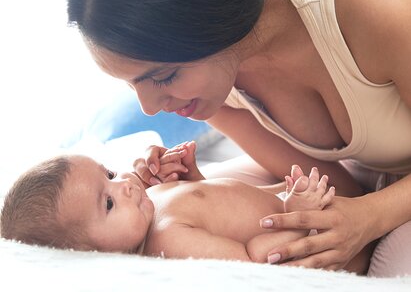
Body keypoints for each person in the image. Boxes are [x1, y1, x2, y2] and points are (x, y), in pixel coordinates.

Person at [66, 0, 411, 277]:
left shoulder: (378, 0)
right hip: (355, 176)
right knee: (167, 221)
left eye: (164, 77)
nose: (150, 108)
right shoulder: (212, 89)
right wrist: (191, 188)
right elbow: (341, 187)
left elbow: (353, 204)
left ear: (213, 18)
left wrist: (371, 216)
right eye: (131, 84)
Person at [2, 143, 370, 272]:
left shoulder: (150, 207)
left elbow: (220, 216)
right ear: (89, 255)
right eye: (109, 202)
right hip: (342, 244)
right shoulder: (169, 244)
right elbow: (260, 262)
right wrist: (296, 215)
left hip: (321, 201)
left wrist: (193, 178)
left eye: (109, 173)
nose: (125, 186)